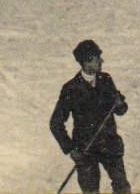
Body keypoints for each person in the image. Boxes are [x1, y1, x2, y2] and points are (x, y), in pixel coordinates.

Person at [49, 39, 130, 194]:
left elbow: (121, 110)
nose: (102, 61)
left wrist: (119, 104)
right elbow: (55, 123)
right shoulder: (70, 89)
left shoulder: (106, 80)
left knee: (123, 188)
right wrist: (71, 149)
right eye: (97, 58)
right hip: (85, 151)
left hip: (110, 145)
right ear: (86, 62)